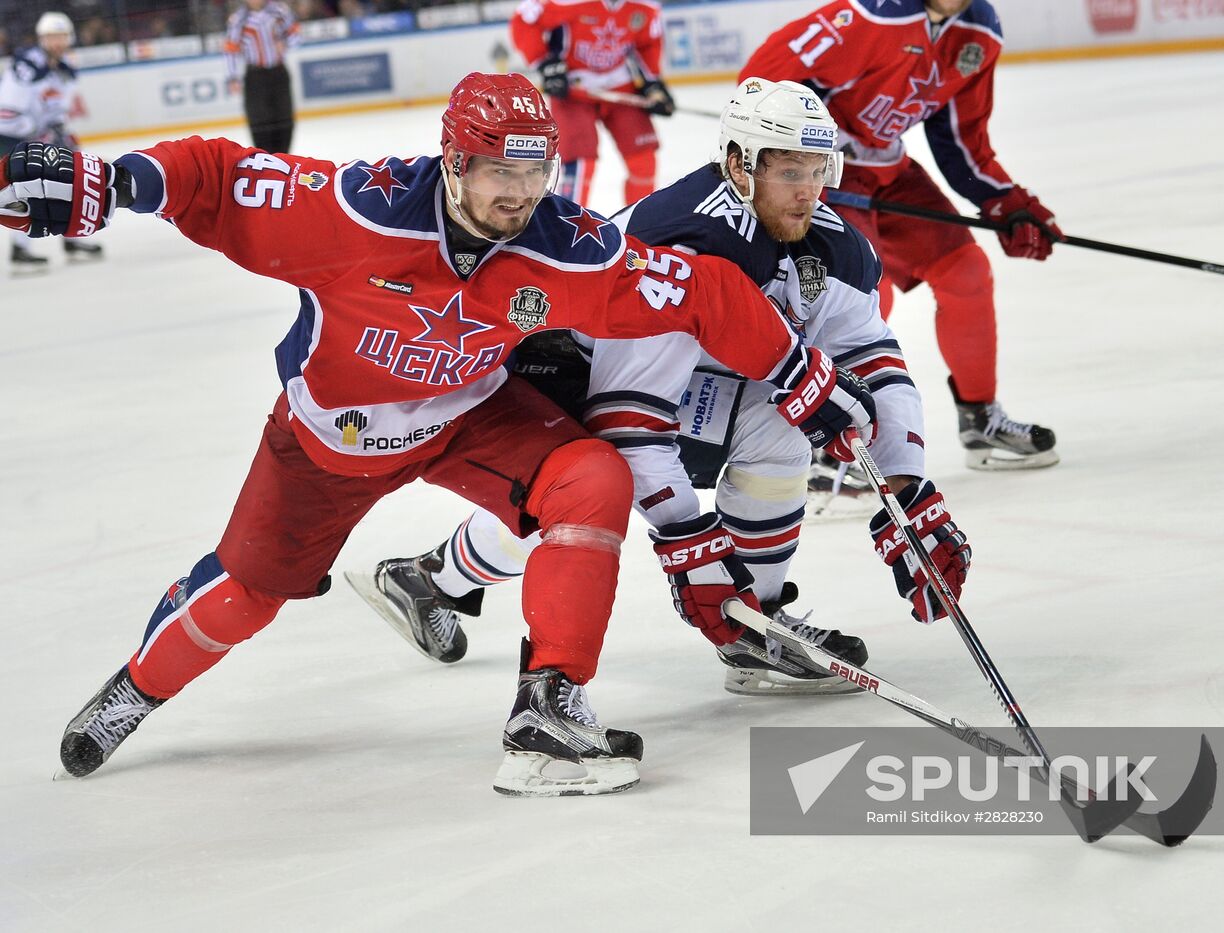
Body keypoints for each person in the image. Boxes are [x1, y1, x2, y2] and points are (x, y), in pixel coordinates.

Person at [0, 72, 874, 796]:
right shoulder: (356, 211)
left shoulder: (562, 243)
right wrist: (109, 183)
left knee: (592, 477)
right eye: (499, 171)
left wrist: (805, 379)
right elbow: (217, 176)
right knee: (244, 595)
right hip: (331, 441)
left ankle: (548, 711)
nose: (520, 193)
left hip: (469, 418)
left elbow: (702, 292)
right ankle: (134, 688)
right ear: (453, 162)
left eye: (536, 171)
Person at [349, 78, 972, 696]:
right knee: (580, 490)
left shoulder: (833, 246)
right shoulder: (684, 245)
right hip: (566, 373)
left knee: (780, 424)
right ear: (739, 165)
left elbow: (876, 363)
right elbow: (629, 420)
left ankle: (756, 621)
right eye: (789, 172)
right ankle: (436, 579)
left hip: (680, 379)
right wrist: (686, 539)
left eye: (818, 170)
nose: (808, 192)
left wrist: (906, 483)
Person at [743, 0, 1061, 471]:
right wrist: (808, 156)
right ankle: (827, 439)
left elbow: (961, 140)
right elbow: (760, 83)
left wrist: (1005, 202)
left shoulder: (980, 32)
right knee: (860, 291)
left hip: (889, 171)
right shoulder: (871, 15)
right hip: (826, 174)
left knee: (967, 272)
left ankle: (980, 417)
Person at [510, 0, 675, 207]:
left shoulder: (646, 6)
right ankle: (569, 223)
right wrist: (546, 63)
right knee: (580, 164)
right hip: (573, 91)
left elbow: (648, 43)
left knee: (643, 160)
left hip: (621, 87)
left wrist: (653, 84)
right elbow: (523, 20)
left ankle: (640, 222)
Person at [0, 11, 101, 272]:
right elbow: (7, 114)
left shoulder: (64, 67)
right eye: (51, 37)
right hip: (11, 136)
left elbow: (56, 107)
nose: (57, 42)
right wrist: (37, 132)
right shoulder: (27, 65)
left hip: (39, 134)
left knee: (70, 178)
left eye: (62, 36)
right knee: (26, 189)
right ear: (41, 38)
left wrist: (58, 130)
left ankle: (71, 237)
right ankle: (20, 249)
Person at [224, 0, 299, 153]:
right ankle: (265, 158)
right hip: (256, 76)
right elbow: (231, 49)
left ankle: (284, 157)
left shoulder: (280, 11)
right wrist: (232, 77)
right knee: (259, 120)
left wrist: (286, 44)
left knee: (284, 117)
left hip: (279, 72)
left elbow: (295, 35)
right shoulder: (239, 19)